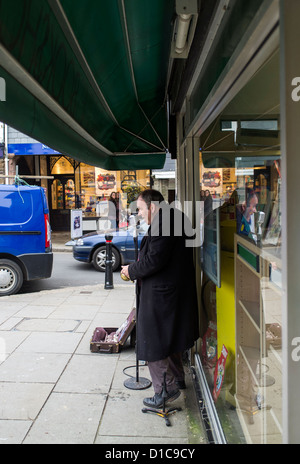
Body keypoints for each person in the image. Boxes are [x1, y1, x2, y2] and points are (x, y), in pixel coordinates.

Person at [121, 189, 199, 409]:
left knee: (154, 340)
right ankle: (178, 379)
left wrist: (131, 270)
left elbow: (155, 259)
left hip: (163, 295)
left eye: (140, 209)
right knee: (170, 336)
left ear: (152, 207)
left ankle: (165, 390)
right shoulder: (171, 217)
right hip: (171, 292)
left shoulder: (165, 222)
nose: (139, 214)